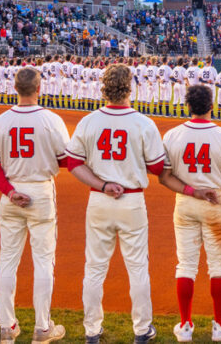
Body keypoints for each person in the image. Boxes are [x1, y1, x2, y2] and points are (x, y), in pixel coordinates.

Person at [65, 64, 173, 343]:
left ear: (104, 87)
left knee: (95, 267)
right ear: (129, 87)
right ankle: (141, 330)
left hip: (99, 198)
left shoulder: (89, 121)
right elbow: (158, 166)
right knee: (137, 267)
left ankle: (91, 331)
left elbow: (73, 163)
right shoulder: (143, 122)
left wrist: (101, 183)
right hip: (132, 199)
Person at [0, 67, 70, 343]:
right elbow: (67, 160)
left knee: (8, 260)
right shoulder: (51, 119)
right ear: (39, 88)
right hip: (40, 191)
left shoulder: (1, 120)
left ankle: (7, 327)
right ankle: (42, 328)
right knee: (43, 261)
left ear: (15, 88)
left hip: (12, 192)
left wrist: (8, 191)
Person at [160, 84, 221, 342]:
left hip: (185, 200)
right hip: (215, 201)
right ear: (211, 106)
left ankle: (185, 325)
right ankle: (219, 325)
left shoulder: (172, 135)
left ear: (188, 106)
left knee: (186, 264)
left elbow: (164, 176)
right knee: (218, 265)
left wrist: (190, 189)